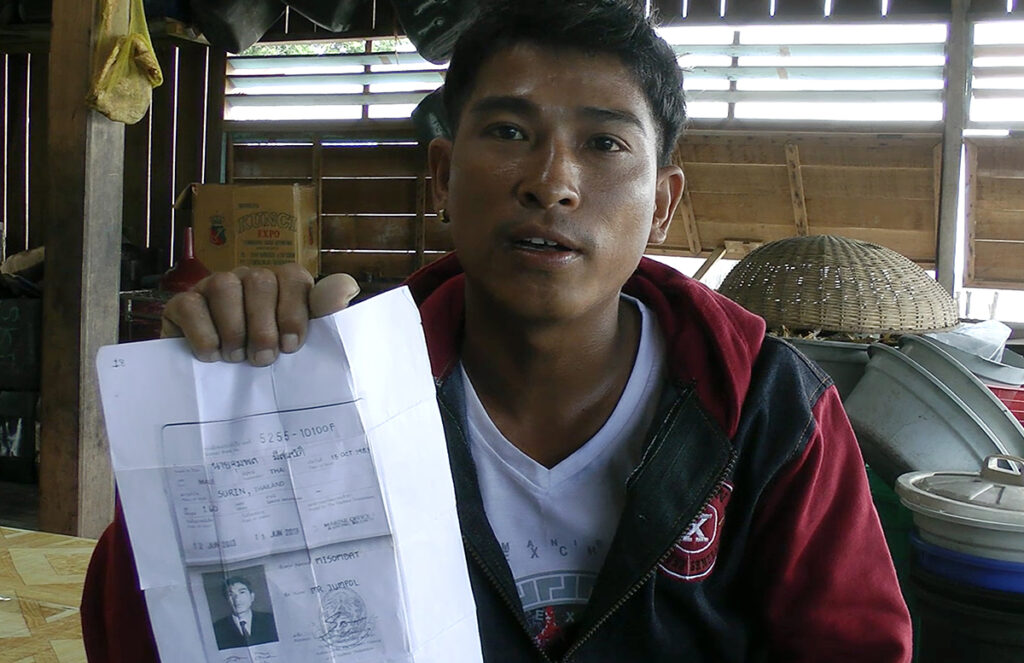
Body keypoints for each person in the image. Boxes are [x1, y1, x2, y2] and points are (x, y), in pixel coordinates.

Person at [81, 1, 913, 661]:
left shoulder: (768, 408)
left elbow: (854, 644)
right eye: (510, 132)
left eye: (604, 143)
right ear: (442, 175)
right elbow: (141, 635)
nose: (552, 182)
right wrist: (216, 415)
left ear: (661, 203)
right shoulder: (331, 381)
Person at [210, 575, 278, 650]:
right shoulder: (217, 629)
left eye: (242, 592)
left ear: (252, 597)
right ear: (226, 600)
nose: (237, 599)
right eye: (231, 594)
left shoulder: (271, 620)